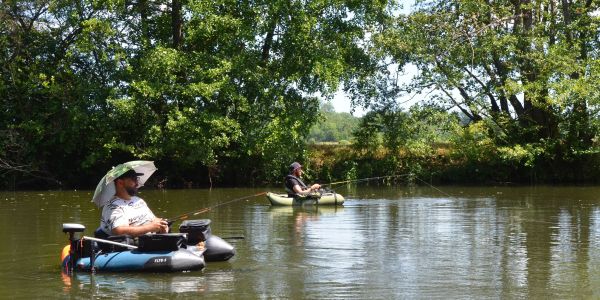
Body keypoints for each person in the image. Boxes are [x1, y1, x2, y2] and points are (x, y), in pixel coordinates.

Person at [99, 169, 169, 237]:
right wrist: (149, 227)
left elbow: (154, 219)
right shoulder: (113, 206)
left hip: (152, 240)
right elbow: (119, 230)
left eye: (137, 179)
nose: (137, 183)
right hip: (134, 246)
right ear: (120, 183)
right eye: (134, 179)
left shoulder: (138, 200)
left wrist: (162, 225)